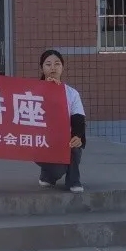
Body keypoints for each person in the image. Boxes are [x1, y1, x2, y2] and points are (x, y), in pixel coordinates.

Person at [36, 49, 87, 193]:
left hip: (63, 141)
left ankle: (73, 181)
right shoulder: (34, 91)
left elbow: (78, 117)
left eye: (57, 64)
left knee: (74, 145)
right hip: (42, 141)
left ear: (62, 67)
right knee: (59, 169)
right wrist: (48, 90)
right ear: (42, 68)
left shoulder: (71, 93)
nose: (53, 68)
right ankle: (48, 175)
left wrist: (77, 136)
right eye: (48, 64)